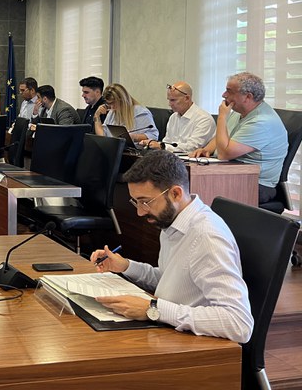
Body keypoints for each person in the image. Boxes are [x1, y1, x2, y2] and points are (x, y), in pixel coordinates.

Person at [90, 150, 253, 344]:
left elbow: (239, 323)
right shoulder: (173, 221)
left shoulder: (207, 237)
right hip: (170, 332)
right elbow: (170, 281)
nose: (140, 212)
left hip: (196, 345)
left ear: (176, 193)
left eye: (145, 202)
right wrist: (126, 266)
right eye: (136, 202)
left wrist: (153, 309)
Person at [192, 72, 287, 204]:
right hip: (233, 174)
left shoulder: (262, 122)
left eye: (229, 91)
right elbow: (224, 136)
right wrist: (206, 149)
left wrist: (221, 117)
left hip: (256, 184)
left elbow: (224, 154)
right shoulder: (239, 113)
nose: (224, 95)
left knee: (191, 192)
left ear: (248, 96)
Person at [142, 82, 215, 153]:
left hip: (191, 160)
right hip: (172, 158)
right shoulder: (173, 117)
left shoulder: (204, 119)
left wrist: (162, 146)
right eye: (169, 100)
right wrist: (153, 144)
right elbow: (167, 141)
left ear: (187, 98)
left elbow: (192, 147)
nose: (169, 104)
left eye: (173, 100)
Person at [94, 83, 158, 142]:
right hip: (115, 148)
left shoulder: (141, 113)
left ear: (122, 100)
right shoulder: (113, 112)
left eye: (113, 103)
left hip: (133, 149)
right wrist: (96, 116)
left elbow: (153, 135)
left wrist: (133, 137)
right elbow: (103, 136)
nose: (112, 107)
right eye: (109, 104)